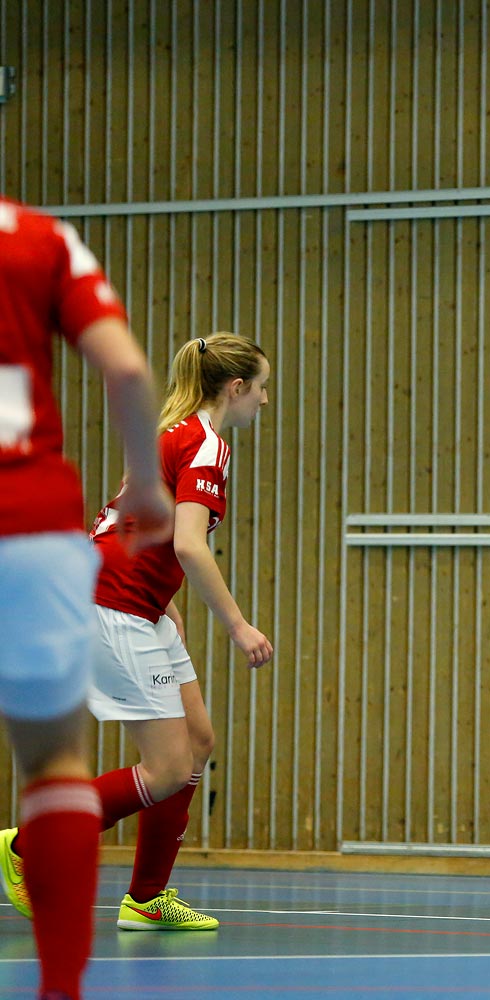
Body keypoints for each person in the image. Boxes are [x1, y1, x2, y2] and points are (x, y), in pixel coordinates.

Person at [2, 332, 273, 935]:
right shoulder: (205, 446)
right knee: (169, 769)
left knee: (197, 740)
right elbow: (187, 544)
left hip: (137, 604)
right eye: (262, 388)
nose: (264, 401)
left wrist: (163, 597)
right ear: (236, 388)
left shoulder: (172, 433)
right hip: (110, 607)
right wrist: (238, 624)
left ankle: (147, 899)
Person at [0, 198, 173, 999]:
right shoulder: (38, 237)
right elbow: (129, 368)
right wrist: (144, 482)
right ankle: (60, 989)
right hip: (28, 524)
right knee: (55, 766)